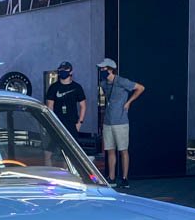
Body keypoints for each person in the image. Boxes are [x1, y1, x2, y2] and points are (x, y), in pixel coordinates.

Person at [97, 57, 144, 188]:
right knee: (110, 150)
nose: (101, 70)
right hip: (108, 121)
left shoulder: (121, 81)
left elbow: (140, 88)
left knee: (123, 150)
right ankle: (111, 178)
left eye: (103, 68)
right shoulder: (104, 83)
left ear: (110, 69)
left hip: (121, 121)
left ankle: (124, 177)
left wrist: (129, 102)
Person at [45, 61, 87, 138]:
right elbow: (50, 106)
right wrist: (52, 122)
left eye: (65, 69)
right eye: (61, 69)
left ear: (71, 72)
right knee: (52, 148)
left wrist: (79, 123)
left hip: (72, 124)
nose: (63, 71)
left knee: (71, 148)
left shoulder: (77, 87)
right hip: (57, 123)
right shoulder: (53, 87)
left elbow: (83, 105)